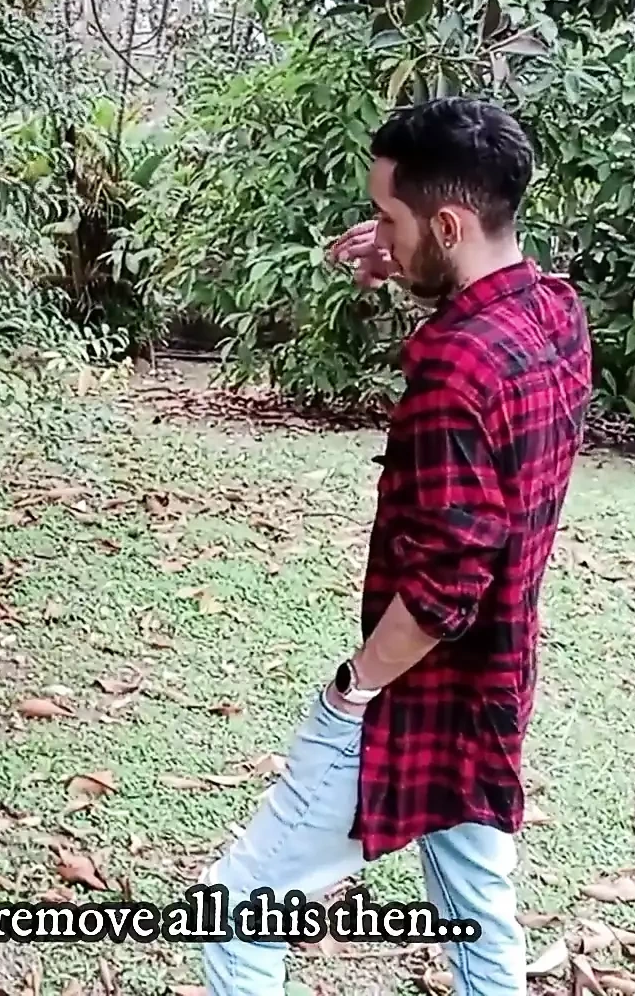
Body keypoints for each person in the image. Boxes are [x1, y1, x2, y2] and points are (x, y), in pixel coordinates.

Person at [197, 97, 591, 996]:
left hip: (410, 701)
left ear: (448, 224)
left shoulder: (455, 366)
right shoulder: (557, 315)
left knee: (236, 914)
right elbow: (488, 308)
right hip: (494, 691)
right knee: (479, 916)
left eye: (388, 217)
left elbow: (448, 582)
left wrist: (353, 690)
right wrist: (408, 259)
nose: (376, 233)